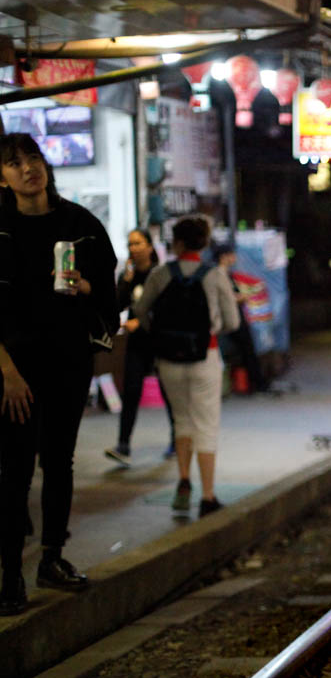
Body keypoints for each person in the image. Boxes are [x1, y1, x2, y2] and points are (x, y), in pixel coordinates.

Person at [0, 132, 118, 615]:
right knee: (13, 471)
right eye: (14, 162)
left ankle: (52, 558)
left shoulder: (81, 224)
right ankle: (10, 576)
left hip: (68, 361)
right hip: (15, 371)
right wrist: (6, 370)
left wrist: (86, 285)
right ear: (1, 177)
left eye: (33, 158)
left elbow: (108, 291)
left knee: (59, 462)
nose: (29, 168)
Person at [132, 216, 239, 518]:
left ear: (176, 243)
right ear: (204, 242)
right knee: (206, 424)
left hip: (169, 360)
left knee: (181, 421)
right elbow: (232, 322)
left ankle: (182, 482)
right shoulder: (215, 275)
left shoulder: (160, 273)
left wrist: (162, 335)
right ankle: (207, 496)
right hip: (206, 356)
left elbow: (140, 310)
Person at [105, 228, 175, 466]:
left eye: (138, 243)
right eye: (130, 244)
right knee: (131, 391)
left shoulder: (160, 274)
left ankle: (177, 440)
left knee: (169, 392)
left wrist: (141, 322)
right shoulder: (128, 274)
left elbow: (165, 309)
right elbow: (117, 305)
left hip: (159, 341)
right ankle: (123, 445)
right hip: (136, 343)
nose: (133, 248)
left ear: (149, 246)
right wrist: (124, 282)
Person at [213, 243, 267, 394]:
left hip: (235, 318)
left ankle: (254, 382)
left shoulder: (226, 273)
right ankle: (256, 383)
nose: (234, 258)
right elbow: (222, 298)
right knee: (247, 350)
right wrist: (240, 298)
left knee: (248, 350)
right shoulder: (218, 274)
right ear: (224, 257)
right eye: (231, 254)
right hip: (229, 320)